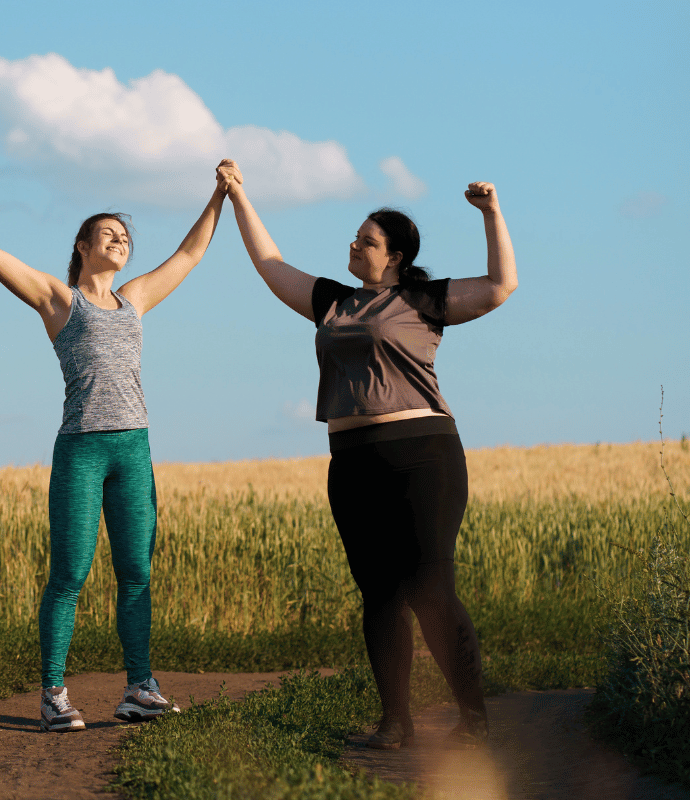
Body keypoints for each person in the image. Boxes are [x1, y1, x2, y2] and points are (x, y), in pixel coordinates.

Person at [216, 159, 517, 749]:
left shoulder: (425, 301)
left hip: (423, 456)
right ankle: (395, 721)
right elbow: (271, 264)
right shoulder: (332, 302)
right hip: (351, 462)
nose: (354, 244)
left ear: (396, 257)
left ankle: (473, 718)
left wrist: (492, 215)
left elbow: (501, 287)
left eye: (368, 240)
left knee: (431, 586)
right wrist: (238, 197)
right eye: (356, 237)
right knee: (379, 592)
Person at [0, 152, 229, 732]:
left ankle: (140, 688)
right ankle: (54, 694)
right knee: (70, 575)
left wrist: (220, 195)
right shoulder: (60, 300)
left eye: (126, 236)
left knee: (136, 574)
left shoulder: (135, 300)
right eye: (108, 234)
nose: (120, 241)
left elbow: (190, 253)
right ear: (82, 245)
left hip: (134, 449)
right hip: (82, 449)